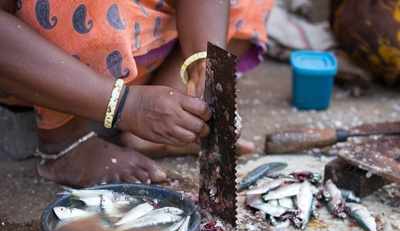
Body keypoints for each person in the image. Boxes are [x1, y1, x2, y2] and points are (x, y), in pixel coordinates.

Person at [0, 0, 274, 187]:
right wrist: (127, 106)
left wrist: (205, 61)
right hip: (37, 65)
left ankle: (166, 110)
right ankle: (65, 141)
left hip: (139, 39)